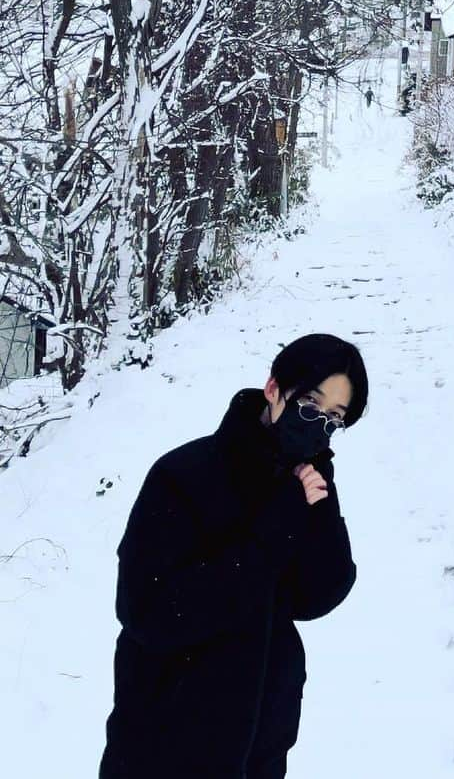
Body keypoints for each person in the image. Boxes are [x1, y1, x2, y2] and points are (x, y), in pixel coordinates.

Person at [99, 333, 368, 779]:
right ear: (273, 389)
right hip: (162, 748)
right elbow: (148, 612)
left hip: (259, 748)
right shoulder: (184, 476)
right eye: (308, 406)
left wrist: (319, 510)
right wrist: (275, 529)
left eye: (333, 418)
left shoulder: (304, 484)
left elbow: (319, 594)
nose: (318, 424)